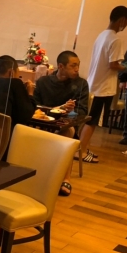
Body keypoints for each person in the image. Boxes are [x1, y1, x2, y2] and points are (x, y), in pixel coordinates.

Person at [33, 50, 90, 196]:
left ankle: (66, 179)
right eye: (73, 65)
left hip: (66, 124)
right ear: (61, 66)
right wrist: (57, 109)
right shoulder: (43, 82)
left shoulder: (81, 84)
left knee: (67, 133)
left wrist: (70, 111)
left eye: (78, 65)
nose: (77, 69)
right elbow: (35, 107)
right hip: (44, 122)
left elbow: (82, 111)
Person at [80, 5, 127, 163]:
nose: (126, 25)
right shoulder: (115, 39)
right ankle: (81, 152)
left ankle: (83, 148)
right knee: (92, 121)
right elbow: (113, 65)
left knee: (90, 120)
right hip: (102, 87)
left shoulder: (102, 35)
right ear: (122, 20)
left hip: (93, 84)